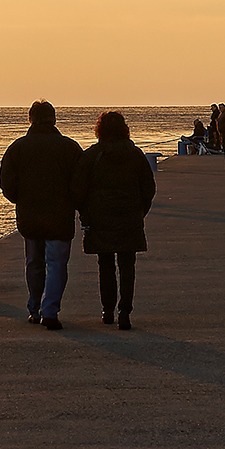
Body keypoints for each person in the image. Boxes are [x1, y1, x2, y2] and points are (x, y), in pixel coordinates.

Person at [0, 101, 86, 329]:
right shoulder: (69, 147)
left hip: (30, 216)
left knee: (34, 263)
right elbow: (81, 182)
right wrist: (75, 203)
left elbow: (6, 182)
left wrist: (20, 199)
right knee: (57, 264)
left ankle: (34, 308)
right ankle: (50, 311)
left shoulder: (18, 148)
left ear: (30, 119)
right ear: (54, 119)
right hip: (60, 216)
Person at [72, 110, 155, 329]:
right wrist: (140, 211)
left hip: (100, 218)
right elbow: (148, 188)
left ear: (99, 131)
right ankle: (125, 311)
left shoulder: (91, 156)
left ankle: (107, 310)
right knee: (127, 266)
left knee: (105, 264)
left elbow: (78, 190)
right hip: (129, 217)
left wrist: (86, 214)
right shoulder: (135, 155)